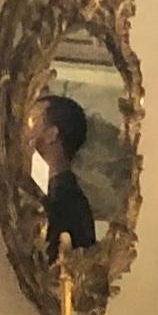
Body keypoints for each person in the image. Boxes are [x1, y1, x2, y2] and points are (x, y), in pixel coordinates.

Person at [34, 92, 98, 256]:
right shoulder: (50, 191)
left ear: (51, 134)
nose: (23, 129)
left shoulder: (67, 202)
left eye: (32, 120)